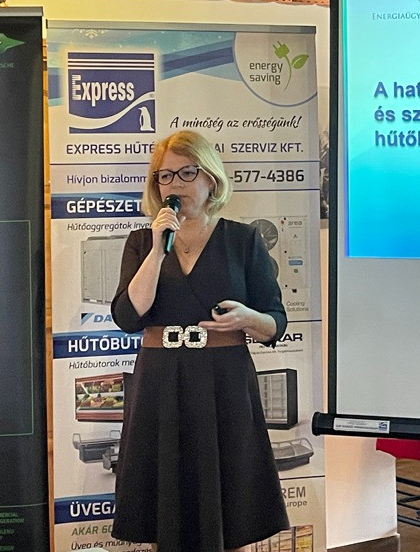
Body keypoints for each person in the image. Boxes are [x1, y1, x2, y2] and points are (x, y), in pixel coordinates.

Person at [110, 129, 290, 551]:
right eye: (164, 176)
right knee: (164, 504)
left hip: (224, 382)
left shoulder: (243, 240)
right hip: (159, 384)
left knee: (229, 505)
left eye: (186, 173)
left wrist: (248, 319)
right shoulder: (142, 242)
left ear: (211, 178)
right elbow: (128, 317)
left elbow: (275, 322)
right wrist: (158, 251)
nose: (174, 184)